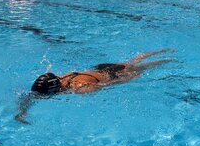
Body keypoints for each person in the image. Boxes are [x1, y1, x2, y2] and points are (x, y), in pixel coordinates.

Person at [15, 49, 174, 124]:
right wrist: (22, 112)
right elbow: (32, 95)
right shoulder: (62, 77)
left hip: (111, 75)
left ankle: (166, 60)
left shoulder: (81, 87)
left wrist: (128, 79)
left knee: (142, 68)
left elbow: (108, 84)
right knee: (133, 61)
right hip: (99, 68)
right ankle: (161, 52)